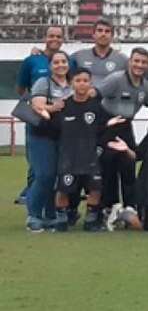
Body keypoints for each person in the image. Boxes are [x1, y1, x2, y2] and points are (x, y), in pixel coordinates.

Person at [44, 68, 125, 232]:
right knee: (63, 189)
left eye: (85, 81)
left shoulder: (96, 107)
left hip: (90, 157)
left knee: (95, 188)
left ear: (91, 83)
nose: (82, 84)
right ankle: (61, 219)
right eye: (78, 80)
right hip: (68, 157)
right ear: (72, 83)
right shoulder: (63, 106)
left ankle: (91, 220)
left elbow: (102, 128)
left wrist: (109, 125)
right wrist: (45, 113)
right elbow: (52, 128)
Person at [97, 47, 148, 212]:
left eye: (143, 62)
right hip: (108, 125)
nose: (139, 65)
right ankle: (108, 208)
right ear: (129, 62)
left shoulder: (146, 86)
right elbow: (93, 97)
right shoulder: (115, 79)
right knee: (108, 169)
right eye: (136, 61)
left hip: (126, 127)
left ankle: (130, 208)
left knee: (129, 167)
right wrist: (101, 124)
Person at [15, 26, 65, 205]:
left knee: (56, 166)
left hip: (59, 123)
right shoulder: (32, 61)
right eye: (51, 36)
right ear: (45, 37)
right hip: (37, 121)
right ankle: (32, 204)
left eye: (58, 36)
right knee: (38, 166)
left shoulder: (68, 61)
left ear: (63, 39)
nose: (55, 39)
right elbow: (21, 88)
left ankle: (51, 207)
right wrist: (36, 105)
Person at [26, 51, 72, 232]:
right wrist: (54, 107)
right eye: (56, 62)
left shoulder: (73, 85)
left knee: (57, 176)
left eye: (63, 61)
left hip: (63, 135)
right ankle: (34, 215)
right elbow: (37, 106)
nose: (60, 65)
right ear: (50, 66)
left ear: (68, 64)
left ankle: (51, 214)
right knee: (44, 174)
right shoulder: (43, 82)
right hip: (40, 134)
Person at [71, 19, 128, 86]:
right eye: (100, 30)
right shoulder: (79, 56)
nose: (103, 34)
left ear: (112, 36)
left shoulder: (123, 59)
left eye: (107, 31)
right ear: (93, 34)